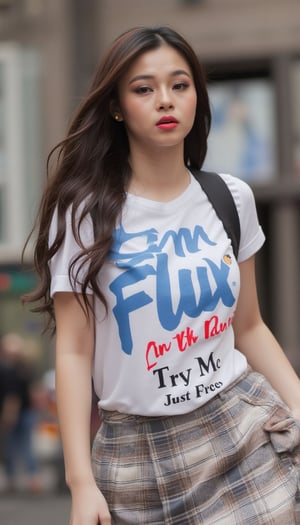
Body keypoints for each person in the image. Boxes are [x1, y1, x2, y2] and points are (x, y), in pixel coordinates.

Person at [23, 26, 300, 524]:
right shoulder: (84, 214)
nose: (165, 101)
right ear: (116, 106)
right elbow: (73, 350)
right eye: (144, 89)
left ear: (197, 96)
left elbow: (251, 325)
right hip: (137, 454)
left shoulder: (230, 199)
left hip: (235, 424)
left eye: (180, 84)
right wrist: (79, 482)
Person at [0, 333, 42, 492]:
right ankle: (24, 477)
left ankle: (28, 477)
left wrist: (10, 412)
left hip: (21, 412)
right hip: (18, 411)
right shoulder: (13, 368)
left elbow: (17, 394)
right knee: (15, 446)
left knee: (20, 446)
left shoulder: (21, 368)